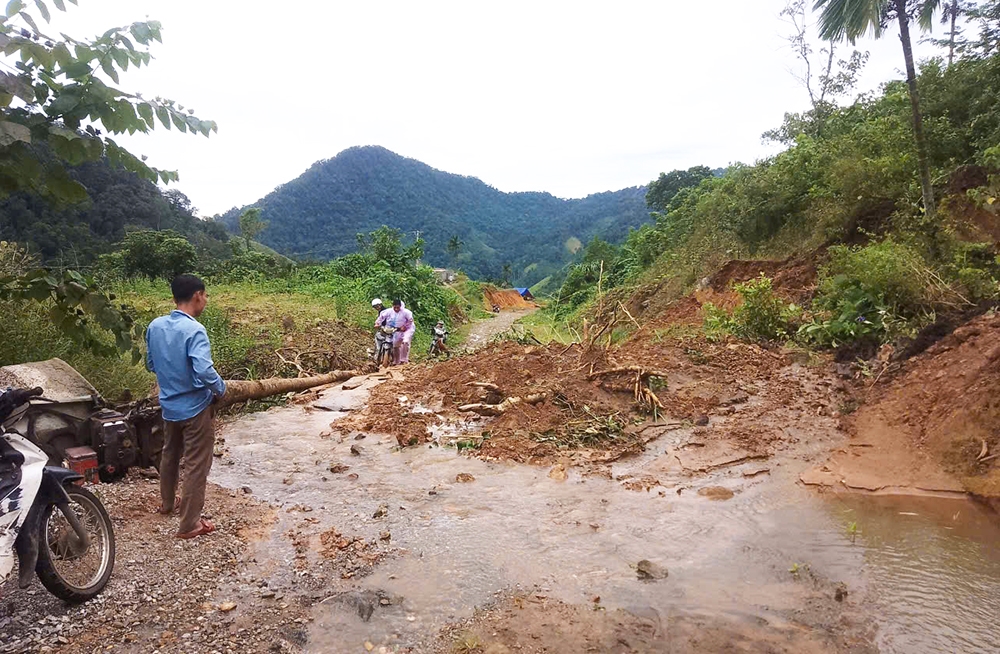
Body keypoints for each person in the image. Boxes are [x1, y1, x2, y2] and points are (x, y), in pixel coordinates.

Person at [146, 274, 226, 540]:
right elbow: (203, 369)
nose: (205, 300)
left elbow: (151, 365)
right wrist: (220, 389)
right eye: (205, 295)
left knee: (170, 454)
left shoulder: (155, 326)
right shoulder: (195, 330)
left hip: (168, 405)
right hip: (194, 407)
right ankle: (190, 524)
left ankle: (168, 504)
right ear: (197, 296)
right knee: (195, 464)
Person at [375, 299, 415, 364]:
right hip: (396, 329)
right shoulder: (388, 311)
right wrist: (377, 323)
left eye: (398, 307)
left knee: (405, 342)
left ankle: (404, 360)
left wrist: (405, 326)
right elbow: (381, 317)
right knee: (395, 345)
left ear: (400, 306)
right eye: (395, 307)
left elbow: (410, 321)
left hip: (407, 329)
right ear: (392, 306)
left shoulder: (406, 312)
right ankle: (396, 361)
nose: (396, 309)